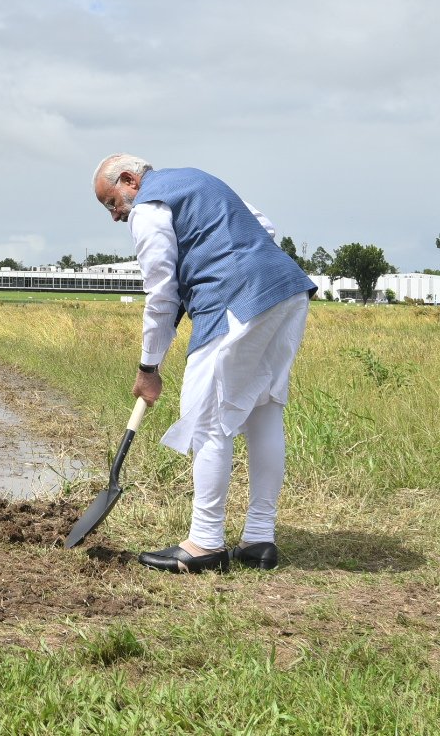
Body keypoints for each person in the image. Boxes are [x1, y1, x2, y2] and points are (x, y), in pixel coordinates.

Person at [91, 154, 315, 573]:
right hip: (286, 289)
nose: (116, 216)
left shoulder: (148, 208)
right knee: (264, 408)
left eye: (112, 203)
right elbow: (263, 227)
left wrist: (148, 368)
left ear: (128, 180)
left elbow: (160, 291)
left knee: (208, 419)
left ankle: (206, 543)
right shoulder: (198, 180)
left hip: (236, 301)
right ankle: (258, 540)